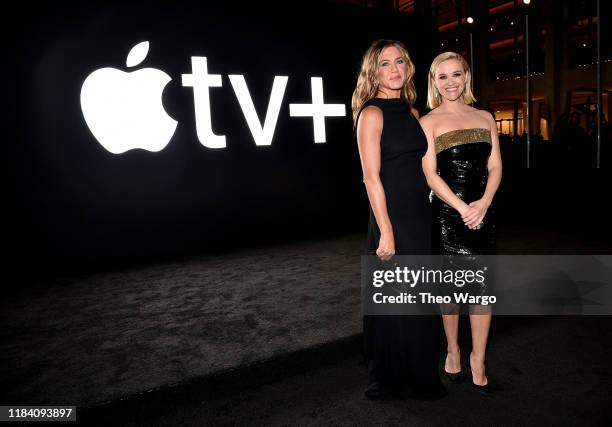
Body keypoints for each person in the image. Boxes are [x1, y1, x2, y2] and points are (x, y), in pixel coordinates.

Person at [353, 39, 446, 400]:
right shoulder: (370, 114)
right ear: (373, 71)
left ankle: (420, 374)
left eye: (400, 62)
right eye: (385, 63)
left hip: (419, 213)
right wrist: (386, 231)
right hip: (391, 218)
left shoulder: (410, 112)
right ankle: (392, 378)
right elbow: (371, 177)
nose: (395, 69)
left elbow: (425, 168)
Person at [419, 52, 502, 395]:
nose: (450, 82)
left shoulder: (485, 117)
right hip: (448, 217)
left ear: (466, 77)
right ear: (434, 82)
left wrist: (483, 203)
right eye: (442, 77)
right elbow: (429, 174)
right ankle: (453, 349)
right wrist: (461, 207)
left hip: (483, 213)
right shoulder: (428, 122)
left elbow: (495, 166)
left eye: (456, 74)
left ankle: (478, 359)